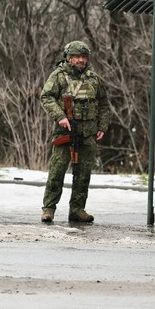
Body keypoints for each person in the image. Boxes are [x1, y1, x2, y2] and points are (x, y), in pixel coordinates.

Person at [39, 40, 110, 223]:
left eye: (83, 57)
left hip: (88, 132)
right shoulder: (59, 76)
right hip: (66, 130)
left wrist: (102, 126)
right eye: (77, 57)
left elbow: (103, 103)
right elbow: (46, 97)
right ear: (69, 58)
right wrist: (60, 116)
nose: (80, 60)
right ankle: (49, 209)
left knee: (83, 173)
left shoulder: (94, 79)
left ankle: (77, 209)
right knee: (57, 170)